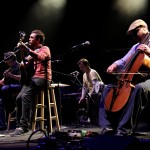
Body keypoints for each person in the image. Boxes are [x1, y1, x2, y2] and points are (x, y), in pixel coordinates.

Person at [99, 19, 150, 136]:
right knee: (107, 88)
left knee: (140, 89)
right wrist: (115, 64)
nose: (133, 37)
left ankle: (124, 129)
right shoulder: (136, 47)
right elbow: (123, 61)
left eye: (135, 32)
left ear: (144, 28)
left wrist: (149, 51)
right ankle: (106, 126)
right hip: (134, 79)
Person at [10, 29, 52, 136]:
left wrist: (27, 49)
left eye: (32, 37)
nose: (29, 39)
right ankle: (20, 125)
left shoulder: (44, 49)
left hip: (43, 78)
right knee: (19, 98)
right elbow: (24, 65)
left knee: (25, 97)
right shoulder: (33, 51)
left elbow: (41, 57)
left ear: (38, 39)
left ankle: (24, 126)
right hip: (34, 78)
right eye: (29, 37)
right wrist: (22, 53)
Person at [77, 58, 104, 125]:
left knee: (92, 98)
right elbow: (84, 87)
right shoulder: (84, 75)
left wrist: (90, 94)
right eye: (80, 67)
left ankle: (97, 120)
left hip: (98, 93)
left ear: (87, 65)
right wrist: (82, 97)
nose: (81, 69)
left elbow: (95, 86)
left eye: (82, 67)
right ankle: (91, 119)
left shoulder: (92, 72)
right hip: (92, 93)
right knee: (87, 100)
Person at [0, 51, 21, 130]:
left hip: (19, 86)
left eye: (7, 61)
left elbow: (21, 78)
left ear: (12, 60)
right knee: (0, 102)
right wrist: (3, 79)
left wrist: (10, 75)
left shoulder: (19, 66)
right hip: (10, 89)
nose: (6, 63)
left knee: (4, 88)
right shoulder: (10, 69)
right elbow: (5, 81)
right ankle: (2, 124)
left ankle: (11, 105)